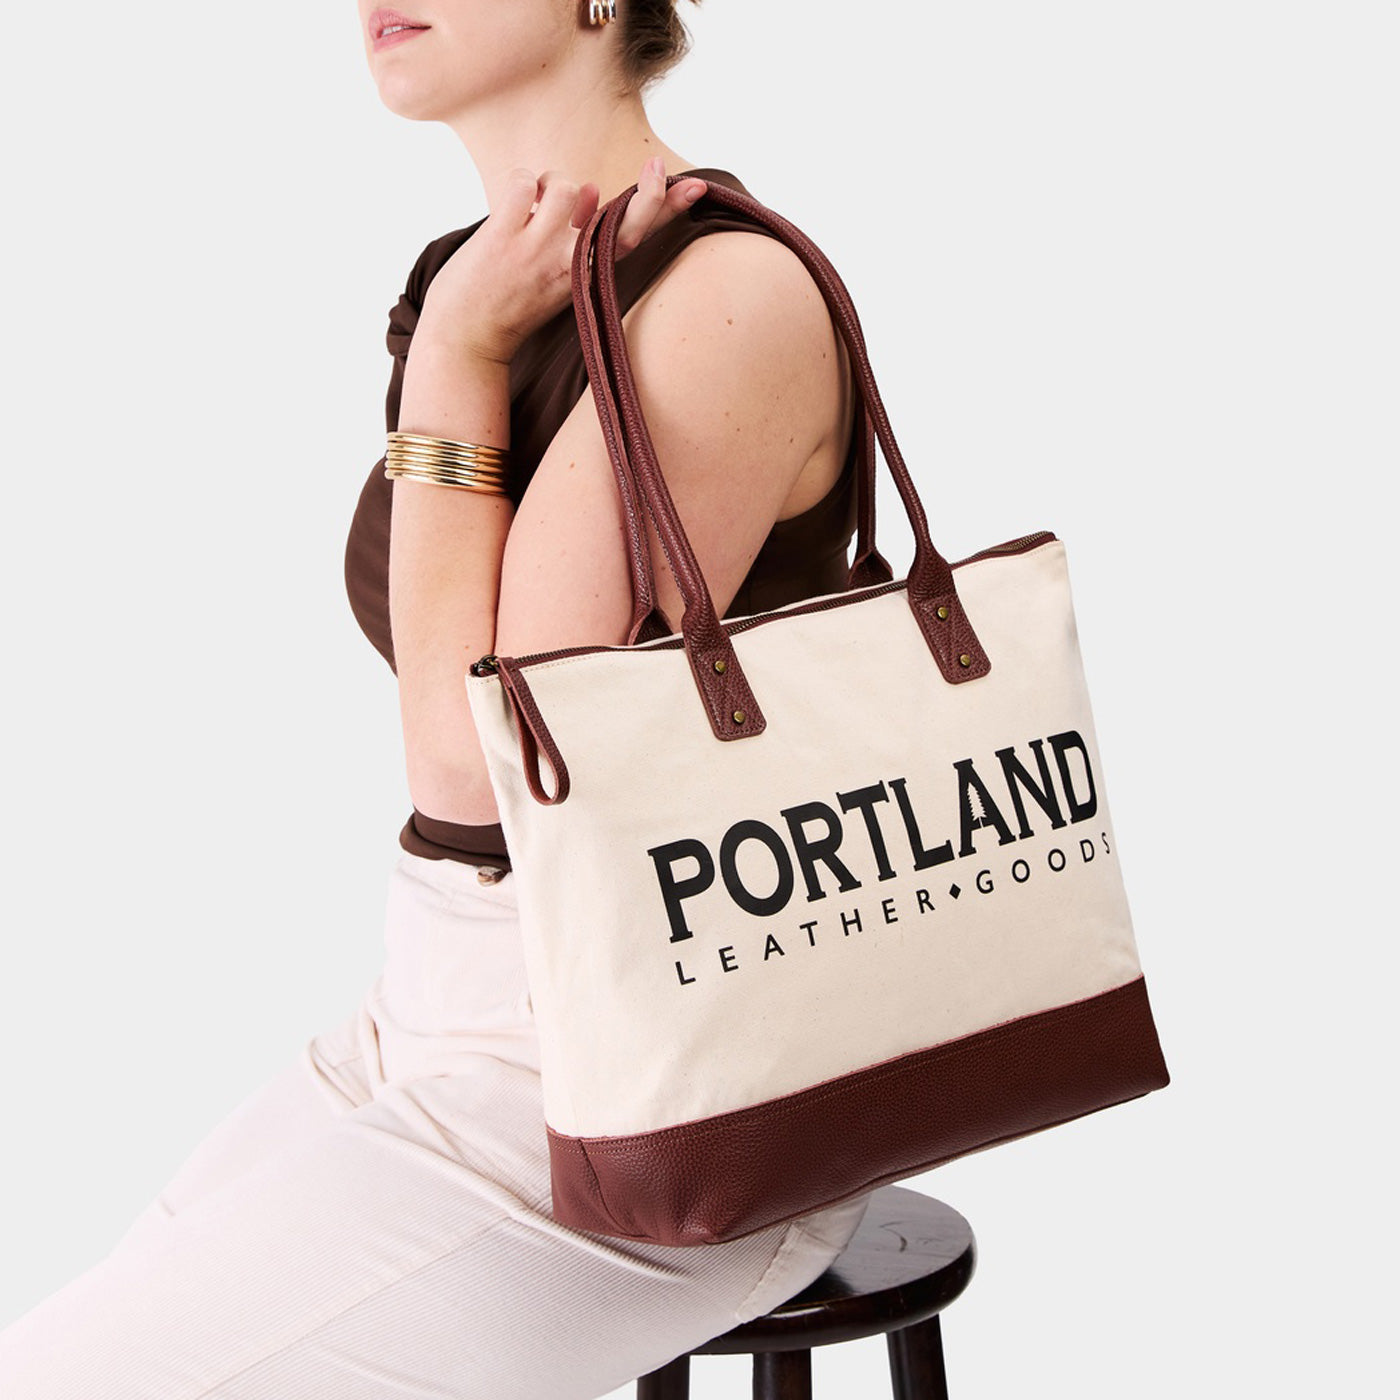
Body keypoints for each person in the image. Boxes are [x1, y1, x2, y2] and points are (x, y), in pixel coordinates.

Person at [0, 2, 873, 1395]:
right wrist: (460, 328)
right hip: (430, 1011)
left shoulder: (728, 299)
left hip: (659, 1089)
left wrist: (458, 360)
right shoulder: (478, 278)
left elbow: (483, 773)